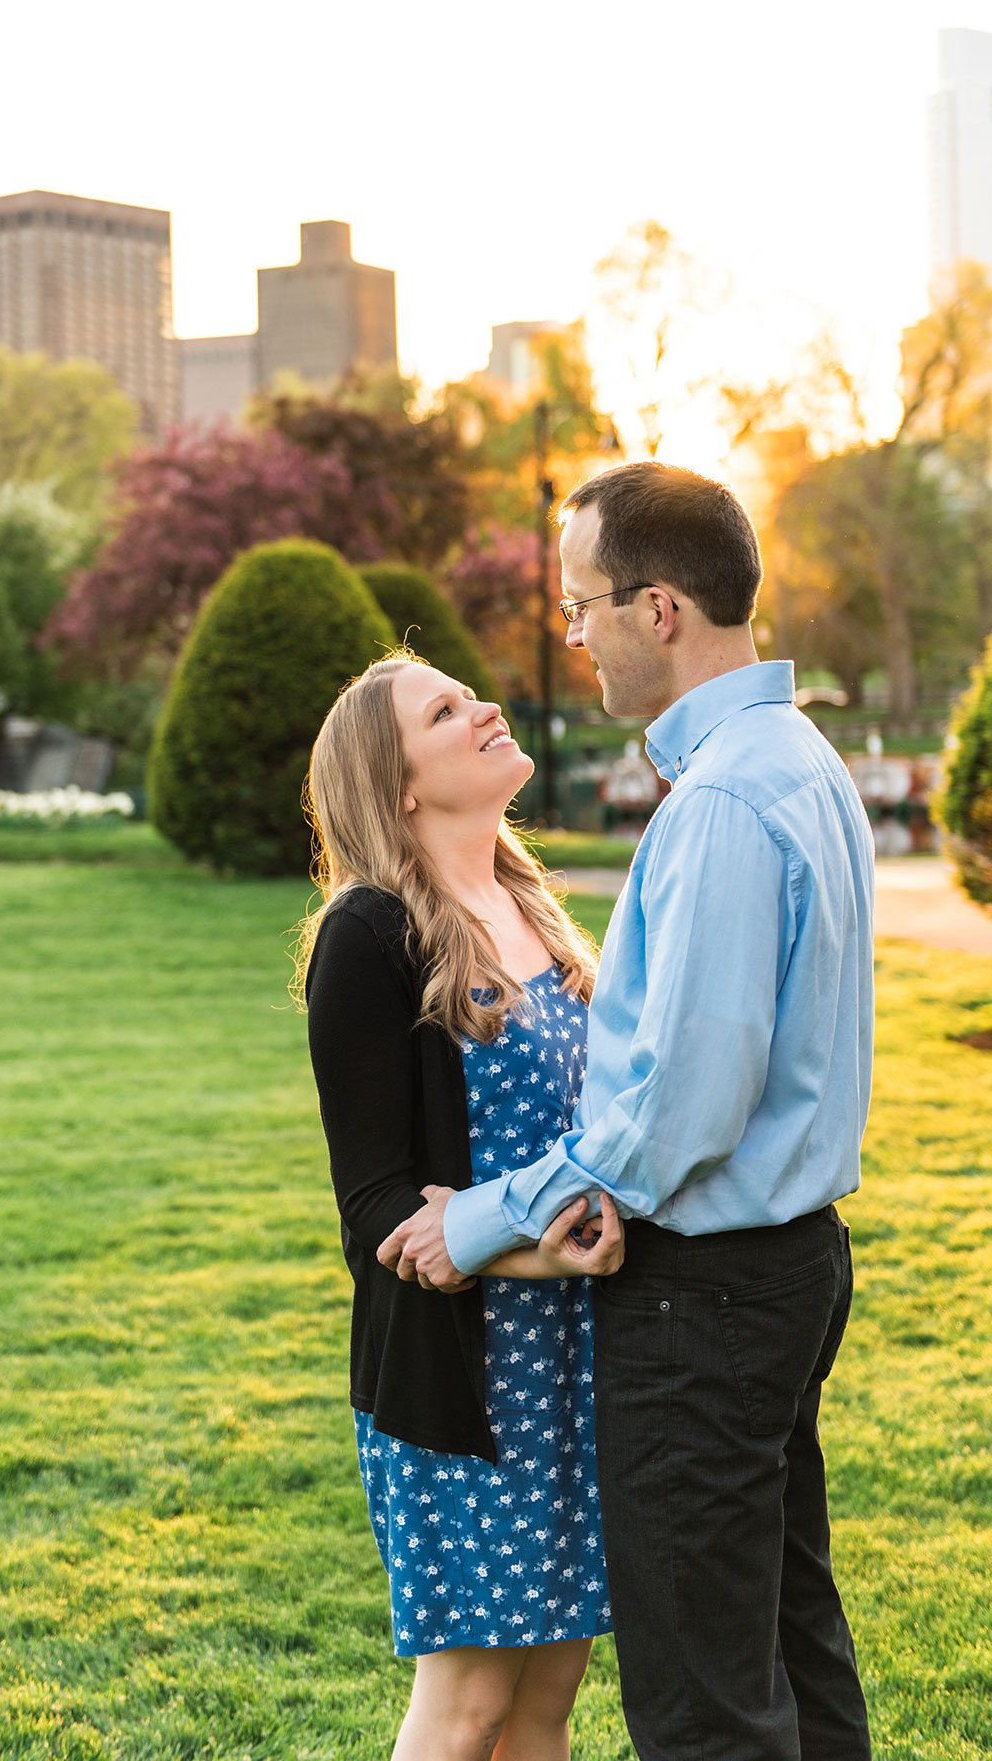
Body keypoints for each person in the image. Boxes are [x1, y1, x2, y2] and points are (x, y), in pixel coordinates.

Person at [381, 463, 875, 1761]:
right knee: (783, 1643)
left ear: (657, 610)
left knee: (703, 1705)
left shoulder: (717, 799)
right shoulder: (794, 760)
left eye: (579, 604)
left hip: (700, 1297)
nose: (571, 634)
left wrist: (480, 1220)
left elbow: (670, 1117)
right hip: (783, 1269)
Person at [300, 650, 625, 1761]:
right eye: (445, 710)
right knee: (468, 1707)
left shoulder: (533, 903)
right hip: (468, 1377)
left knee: (546, 1703)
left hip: (583, 1362)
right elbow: (380, 1211)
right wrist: (541, 1252)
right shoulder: (369, 932)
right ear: (396, 785)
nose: (485, 705)